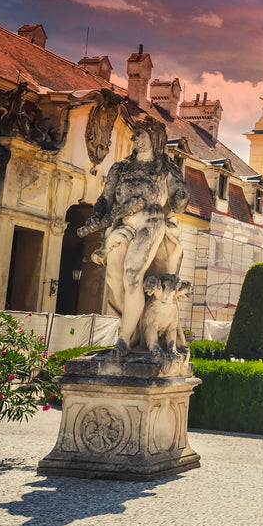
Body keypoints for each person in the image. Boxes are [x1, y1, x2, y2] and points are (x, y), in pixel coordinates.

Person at [80, 117, 189, 354]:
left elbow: (179, 206)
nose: (134, 138)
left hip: (151, 220)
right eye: (135, 134)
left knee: (132, 275)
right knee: (114, 278)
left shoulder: (165, 170)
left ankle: (125, 340)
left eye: (140, 134)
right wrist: (98, 214)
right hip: (123, 223)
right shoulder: (120, 168)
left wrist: (181, 194)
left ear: (154, 138)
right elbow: (105, 198)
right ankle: (134, 327)